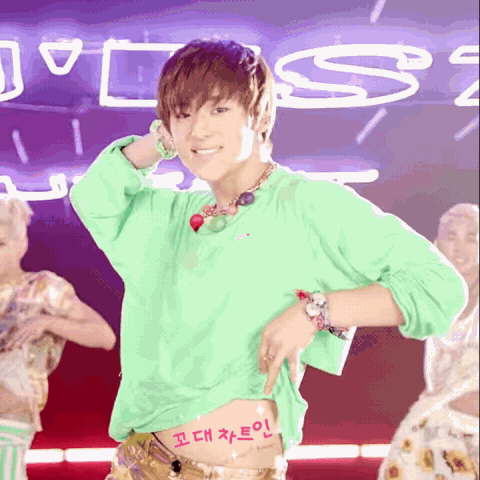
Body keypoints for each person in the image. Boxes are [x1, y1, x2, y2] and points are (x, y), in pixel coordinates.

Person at [69, 39, 467, 480]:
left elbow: (439, 289)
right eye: (183, 114)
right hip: (143, 467)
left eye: (218, 109)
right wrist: (162, 141)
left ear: (258, 116)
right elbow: (93, 198)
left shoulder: (309, 205)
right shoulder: (170, 218)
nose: (198, 130)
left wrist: (316, 311)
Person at [0, 197, 117, 480]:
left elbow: (104, 335)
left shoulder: (42, 287)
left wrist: (47, 322)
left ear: (21, 244)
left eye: (0, 244)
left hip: (10, 415)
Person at [378, 203, 479, 480]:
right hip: (439, 435)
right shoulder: (431, 302)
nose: (460, 249)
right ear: (436, 245)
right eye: (451, 237)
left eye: (472, 238)